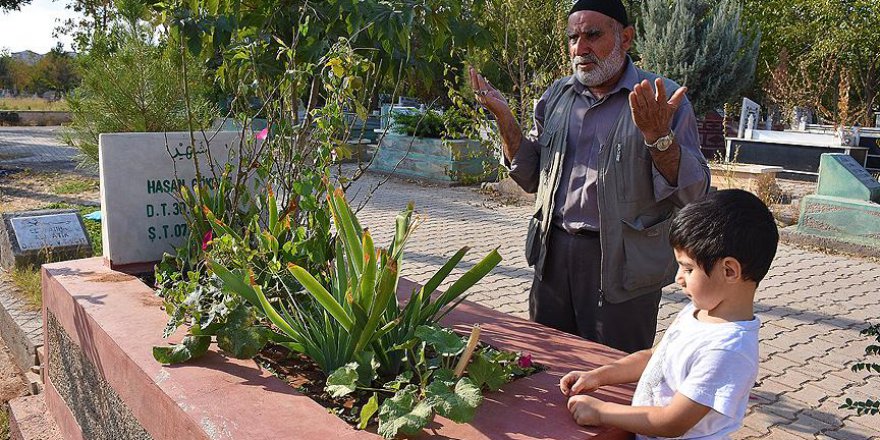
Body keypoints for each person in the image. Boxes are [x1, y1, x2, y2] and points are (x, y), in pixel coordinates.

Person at [469, 0, 710, 352]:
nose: (580, 48)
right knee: (544, 362)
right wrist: (505, 119)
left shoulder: (660, 99)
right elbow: (533, 176)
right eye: (573, 38)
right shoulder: (557, 96)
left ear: (625, 38)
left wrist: (659, 138)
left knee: (611, 371)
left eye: (593, 35)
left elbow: (693, 195)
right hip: (554, 253)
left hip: (622, 261)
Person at [559, 189, 779, 439]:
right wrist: (598, 376)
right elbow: (656, 358)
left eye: (688, 268)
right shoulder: (698, 312)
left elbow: (671, 422)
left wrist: (602, 412)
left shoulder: (727, 350)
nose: (678, 278)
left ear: (729, 271)